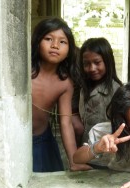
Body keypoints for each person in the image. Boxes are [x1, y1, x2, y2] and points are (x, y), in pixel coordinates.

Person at [31, 17, 92, 172]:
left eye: (62, 42)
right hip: (15, 138)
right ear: (37, 42)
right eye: (48, 39)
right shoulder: (27, 72)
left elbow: (66, 123)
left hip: (42, 141)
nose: (55, 45)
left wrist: (73, 160)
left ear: (69, 49)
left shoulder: (65, 82)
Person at [78, 37, 123, 146]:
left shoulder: (117, 91)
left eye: (97, 62)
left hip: (107, 153)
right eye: (86, 64)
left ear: (108, 61)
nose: (92, 68)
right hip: (88, 150)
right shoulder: (84, 89)